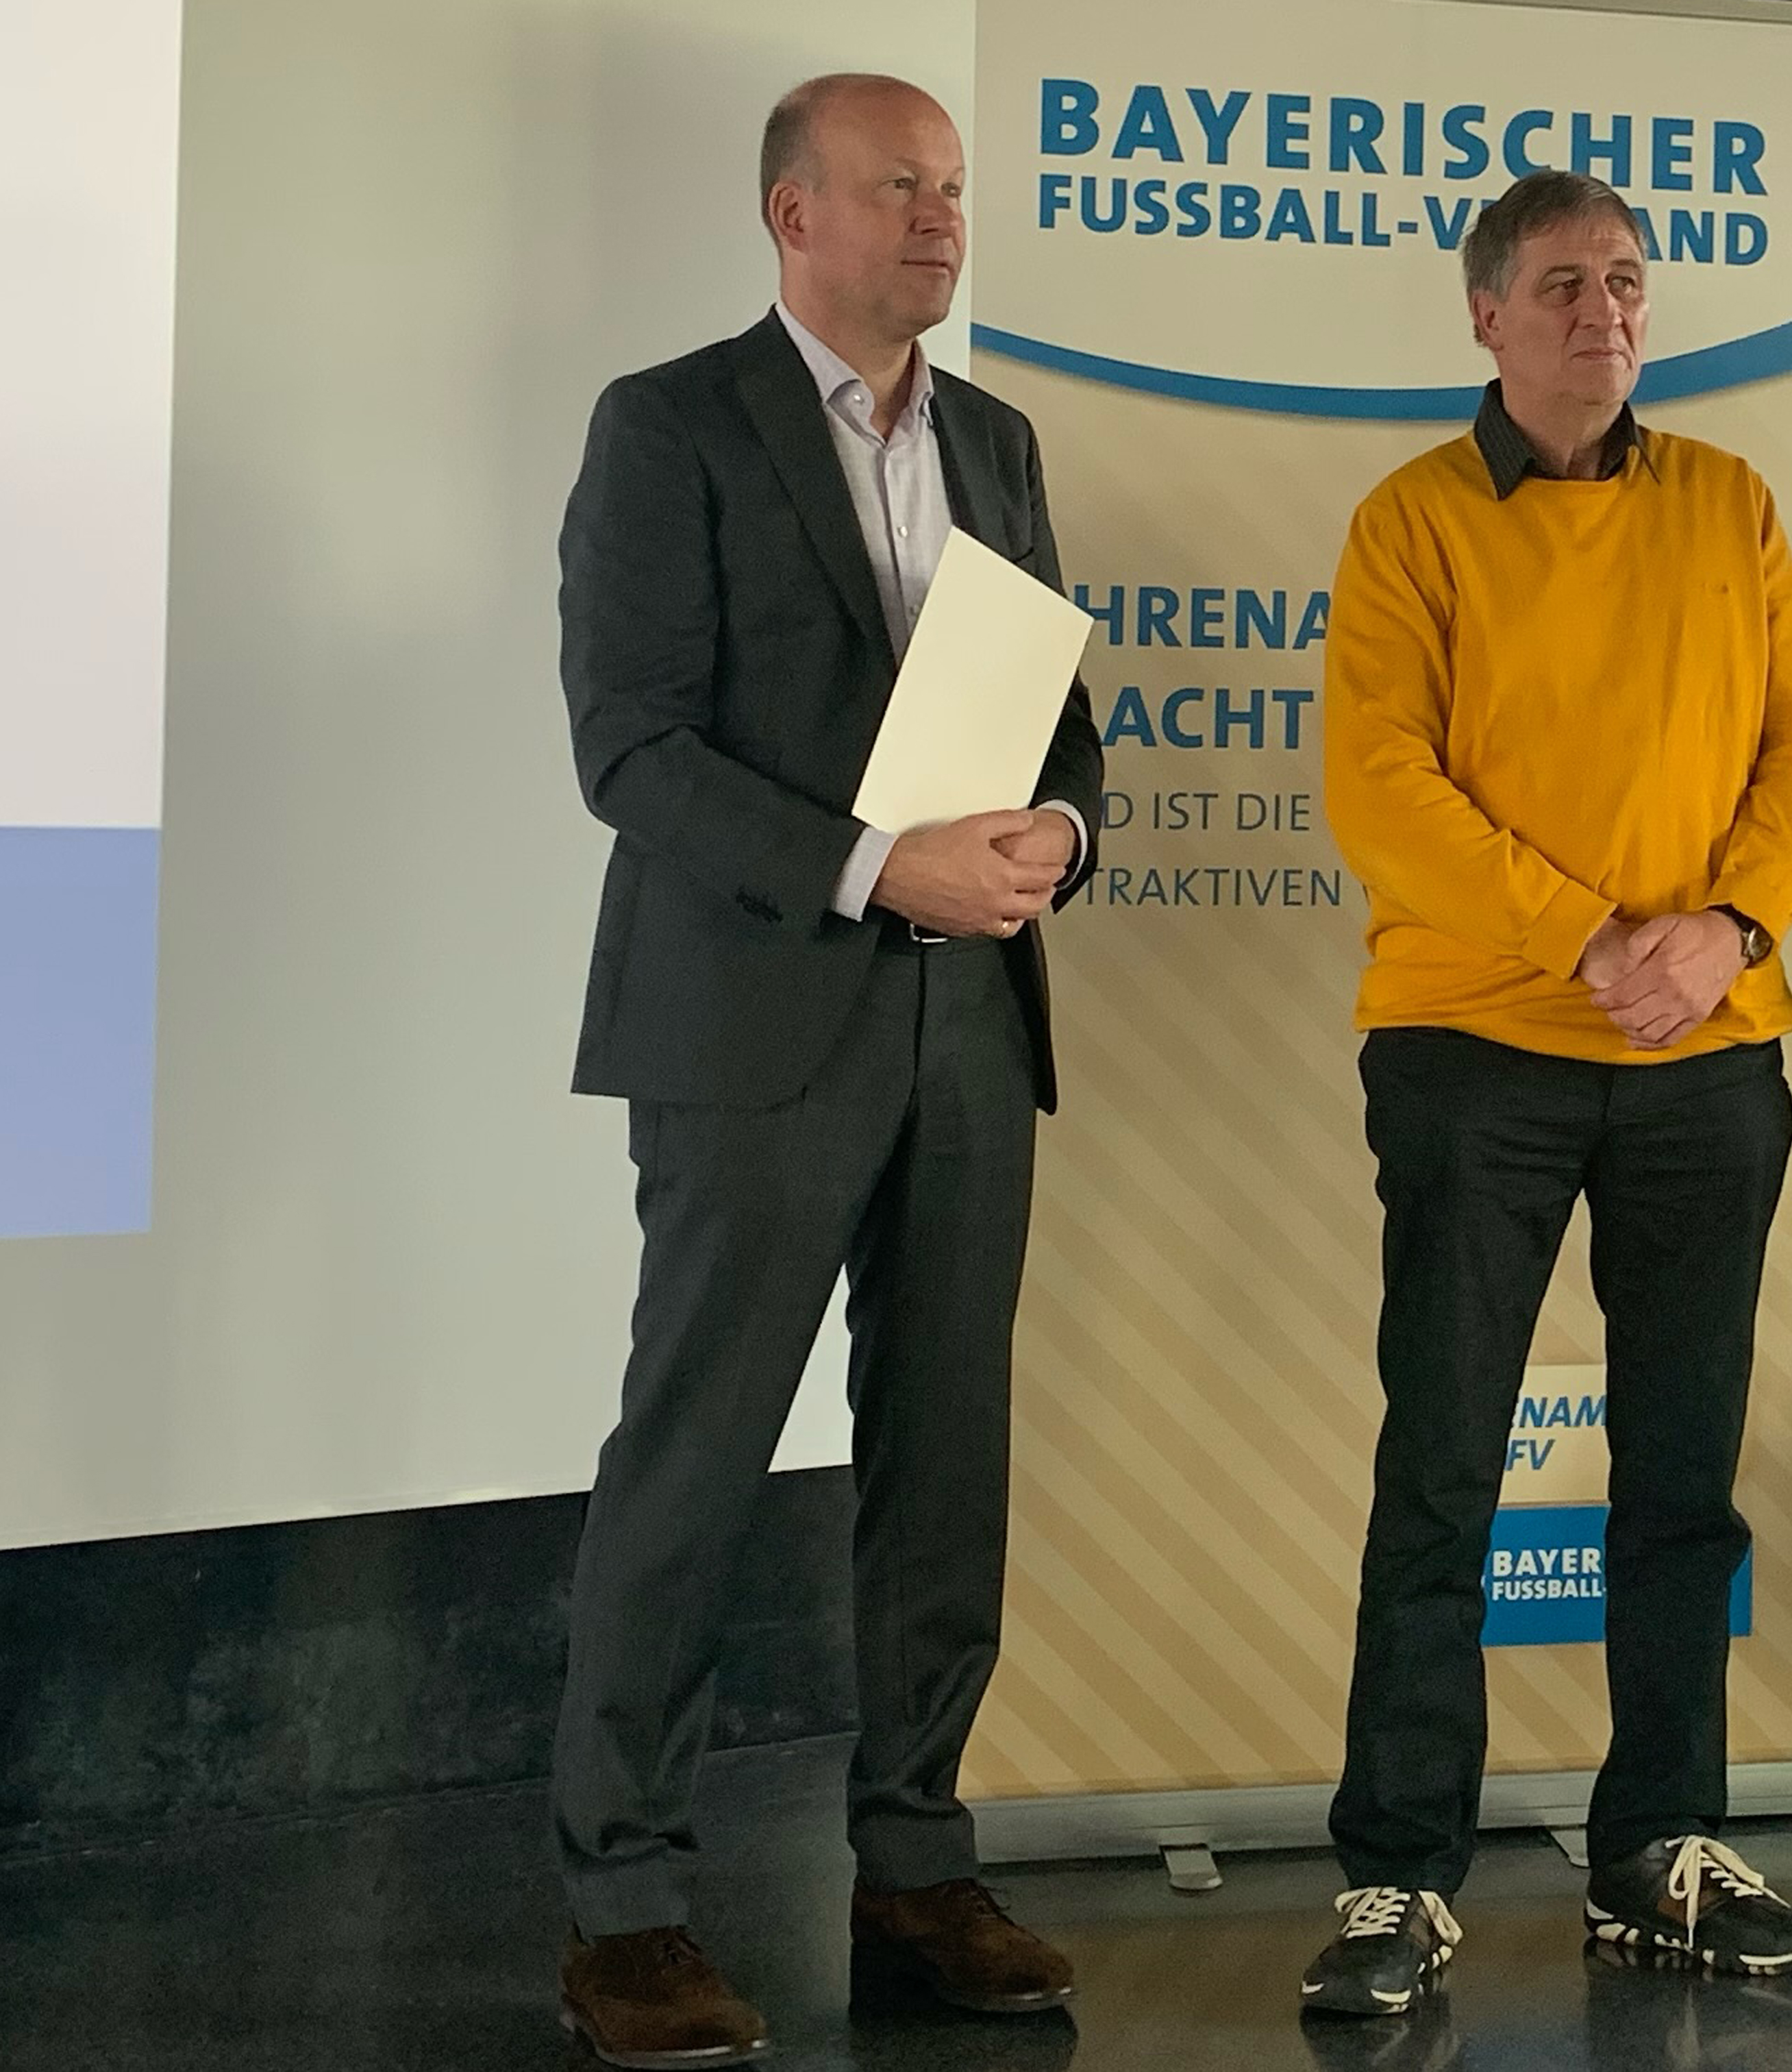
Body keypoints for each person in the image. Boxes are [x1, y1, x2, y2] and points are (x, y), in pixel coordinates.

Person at [549, 72, 1104, 2067]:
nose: (943, 218)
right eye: (900, 188)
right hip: (755, 1025)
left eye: (953, 188)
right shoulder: (669, 425)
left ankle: (916, 1863)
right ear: (795, 216)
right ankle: (625, 1907)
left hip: (972, 1024)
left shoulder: (999, 441)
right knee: (694, 1464)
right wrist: (880, 866)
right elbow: (631, 746)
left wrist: (1058, 838)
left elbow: (1062, 721)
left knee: (946, 1466)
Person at [1304, 169, 1792, 2016]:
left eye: (1625, 281)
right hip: (1476, 1050)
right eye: (1560, 286)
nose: (1602, 313)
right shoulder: (1411, 522)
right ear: (1485, 316)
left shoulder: (1731, 504)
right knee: (1443, 1466)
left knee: (1684, 1472)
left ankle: (1660, 1848)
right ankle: (1397, 1873)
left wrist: (1723, 928)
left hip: (1708, 1049)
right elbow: (1382, 786)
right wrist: (1589, 936)